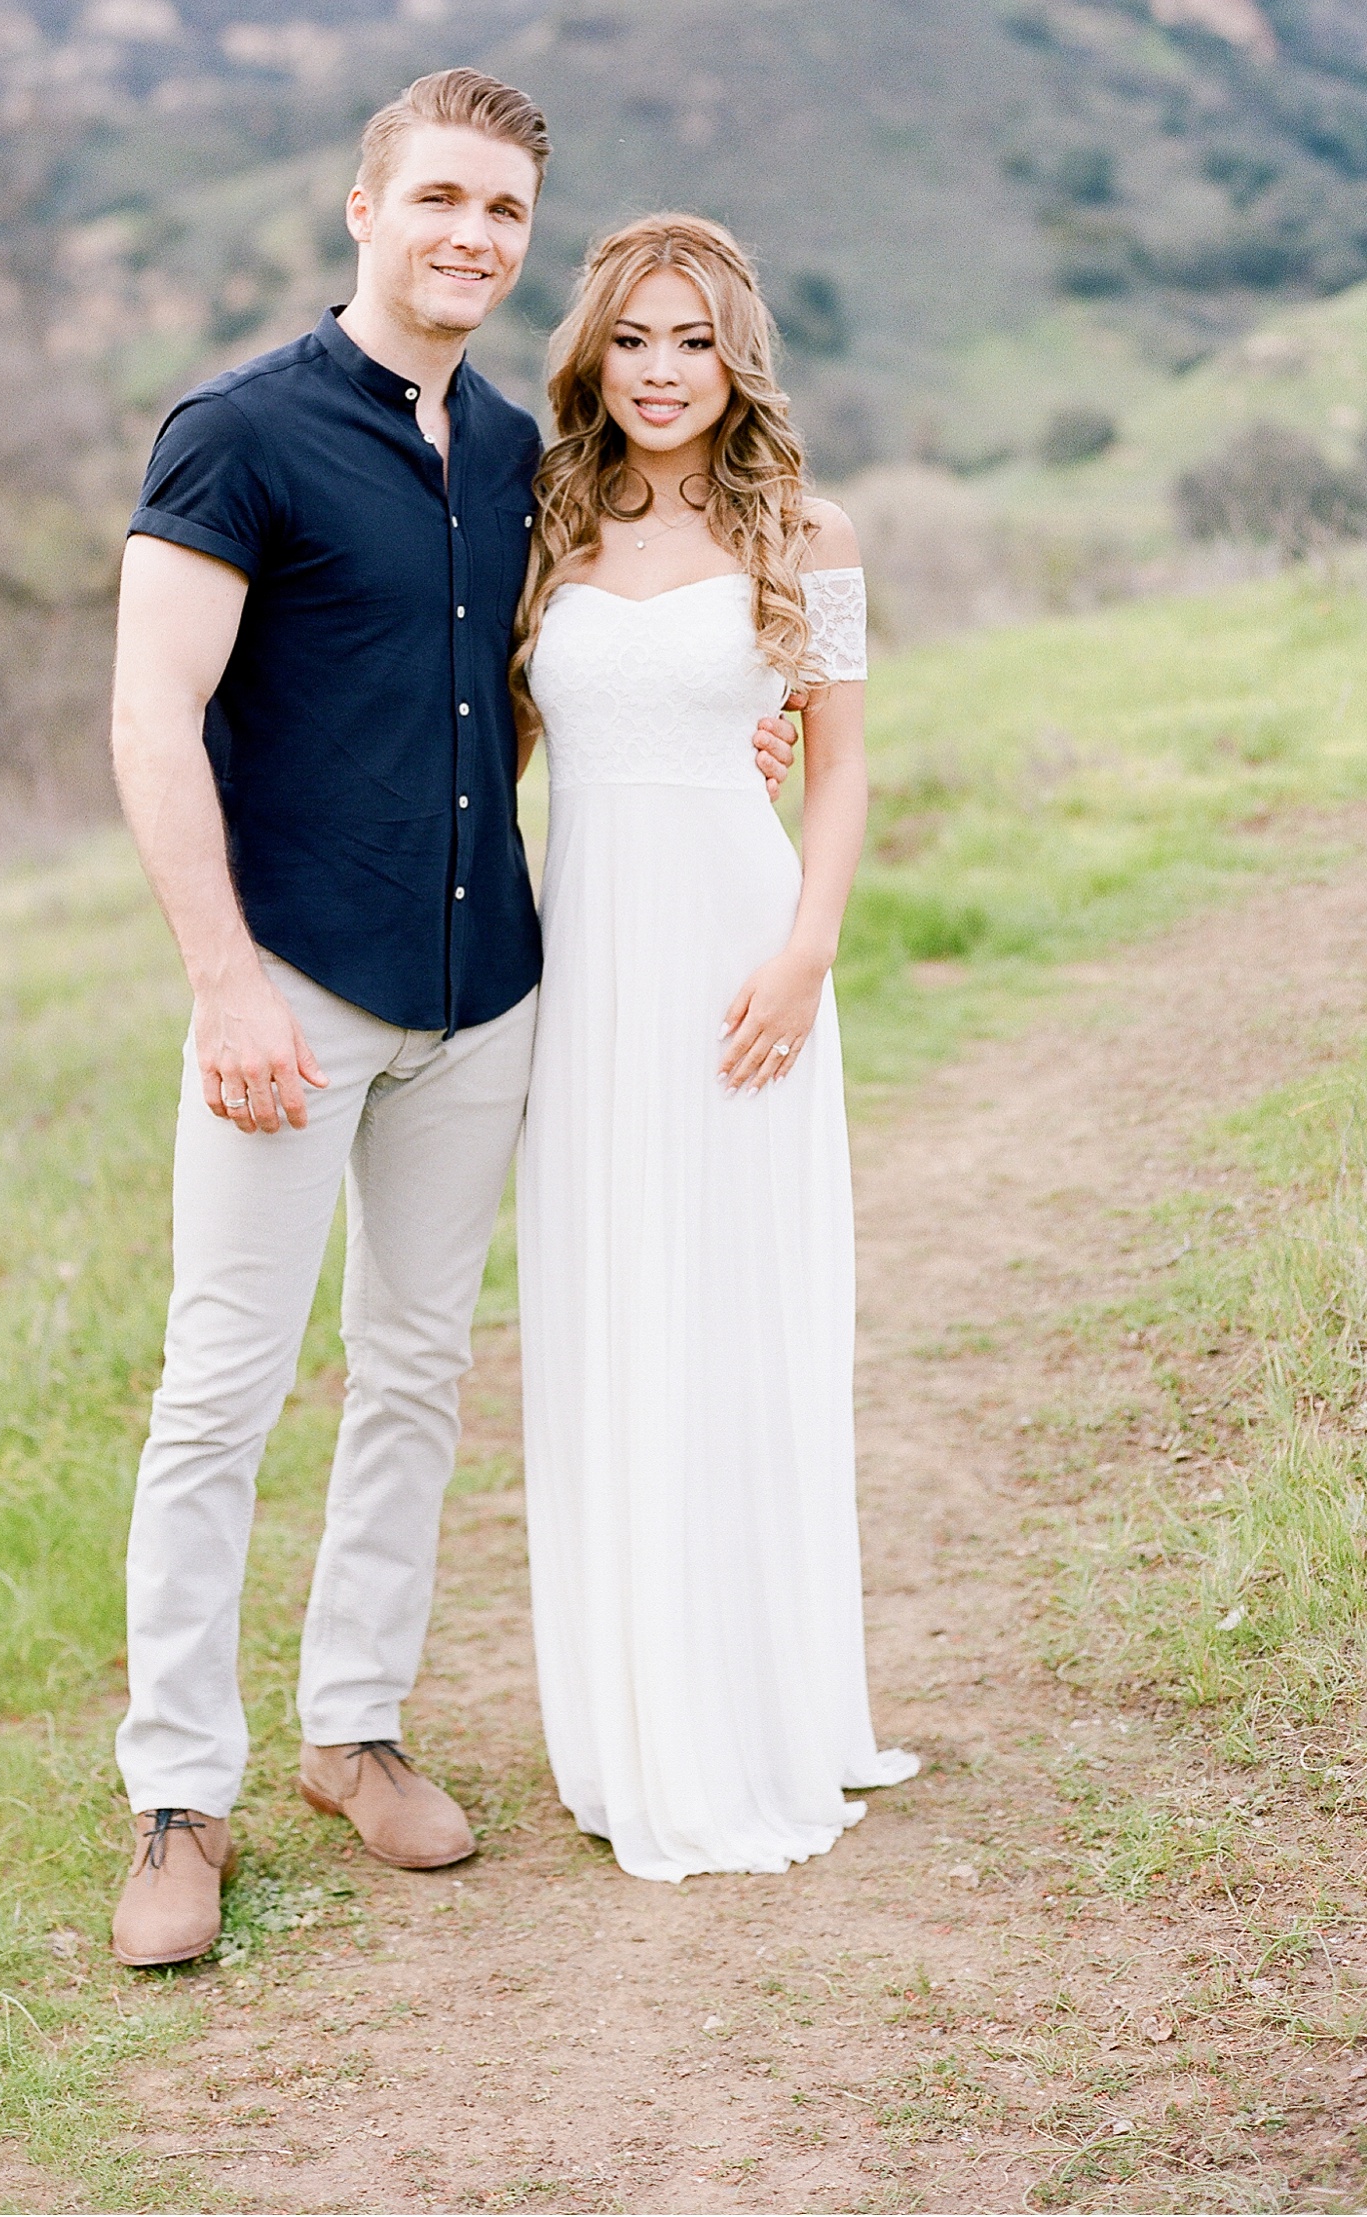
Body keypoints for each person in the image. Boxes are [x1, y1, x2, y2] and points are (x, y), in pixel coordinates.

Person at [104, 75, 794, 1964]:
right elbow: (152, 714)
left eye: (504, 210)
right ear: (363, 207)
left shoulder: (518, 456)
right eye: (440, 199)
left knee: (415, 1371)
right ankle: (178, 1790)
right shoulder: (238, 433)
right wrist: (224, 979)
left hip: (487, 1003)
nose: (471, 236)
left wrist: (732, 723)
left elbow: (562, 673)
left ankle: (356, 1728)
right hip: (295, 994)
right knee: (223, 1385)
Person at [515, 213, 919, 1883]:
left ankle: (759, 1707)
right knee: (616, 1315)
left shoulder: (803, 528)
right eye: (634, 339)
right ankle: (635, 1717)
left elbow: (834, 768)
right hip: (587, 973)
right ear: (594, 355)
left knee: (740, 1318)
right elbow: (515, 722)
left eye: (693, 340)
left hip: (743, 958)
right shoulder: (545, 518)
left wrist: (807, 951)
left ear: (733, 351)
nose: (664, 371)